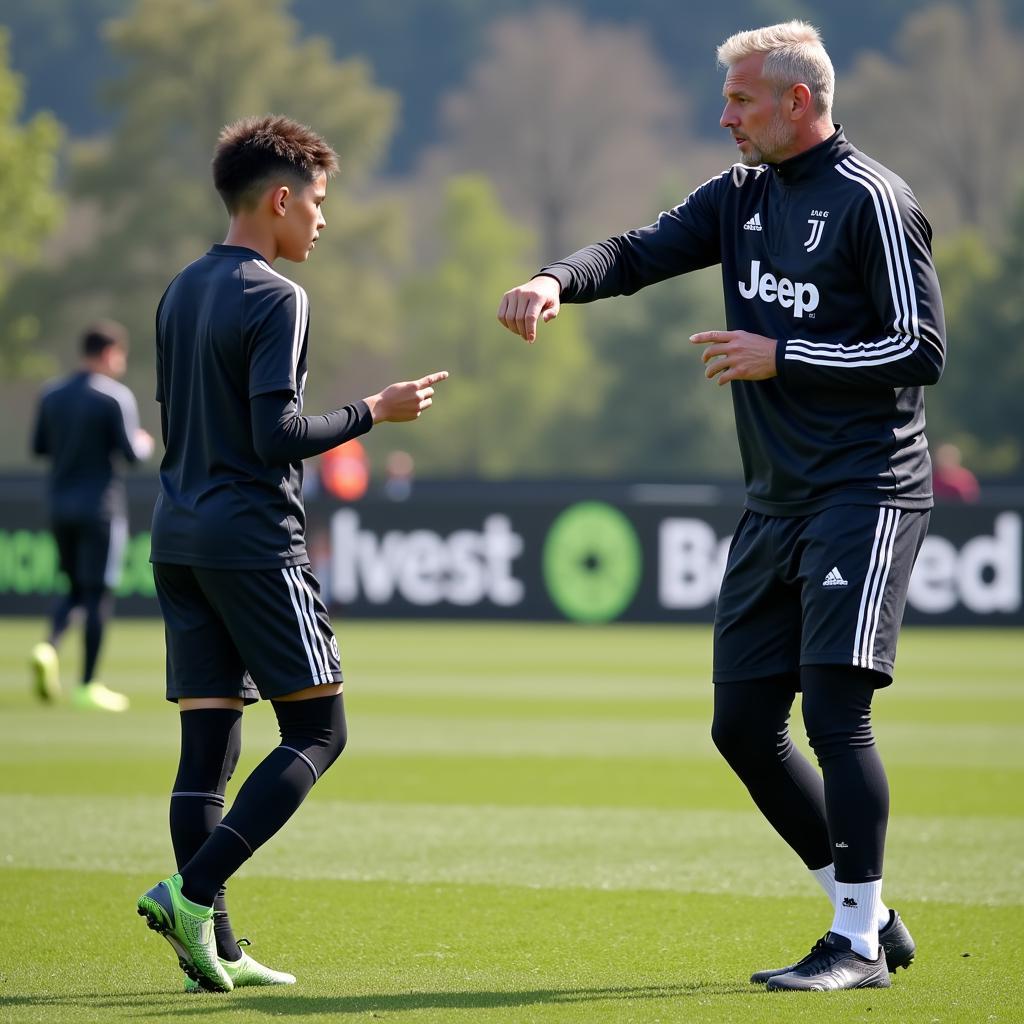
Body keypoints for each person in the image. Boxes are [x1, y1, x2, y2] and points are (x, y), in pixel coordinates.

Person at [498, 21, 944, 992]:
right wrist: (551, 279)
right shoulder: (738, 196)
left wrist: (786, 356)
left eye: (741, 100)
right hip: (775, 499)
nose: (724, 116)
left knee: (834, 714)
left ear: (798, 100)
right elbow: (634, 251)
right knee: (742, 726)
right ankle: (868, 911)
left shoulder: (873, 200)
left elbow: (919, 351)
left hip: (865, 491)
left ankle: (857, 943)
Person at [136, 114, 448, 993]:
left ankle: (216, 951)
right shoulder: (278, 296)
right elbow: (274, 436)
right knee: (319, 729)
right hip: (250, 542)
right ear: (279, 199)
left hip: (179, 537)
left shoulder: (179, 289)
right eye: (316, 201)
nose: (322, 218)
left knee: (209, 747)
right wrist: (374, 412)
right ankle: (194, 894)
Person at [29, 321, 154, 711]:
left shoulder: (52, 394)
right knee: (98, 593)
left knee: (74, 589)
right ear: (108, 352)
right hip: (100, 508)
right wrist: (144, 443)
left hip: (60, 505)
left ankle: (49, 647)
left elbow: (39, 448)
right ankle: (87, 684)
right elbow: (131, 455)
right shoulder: (114, 397)